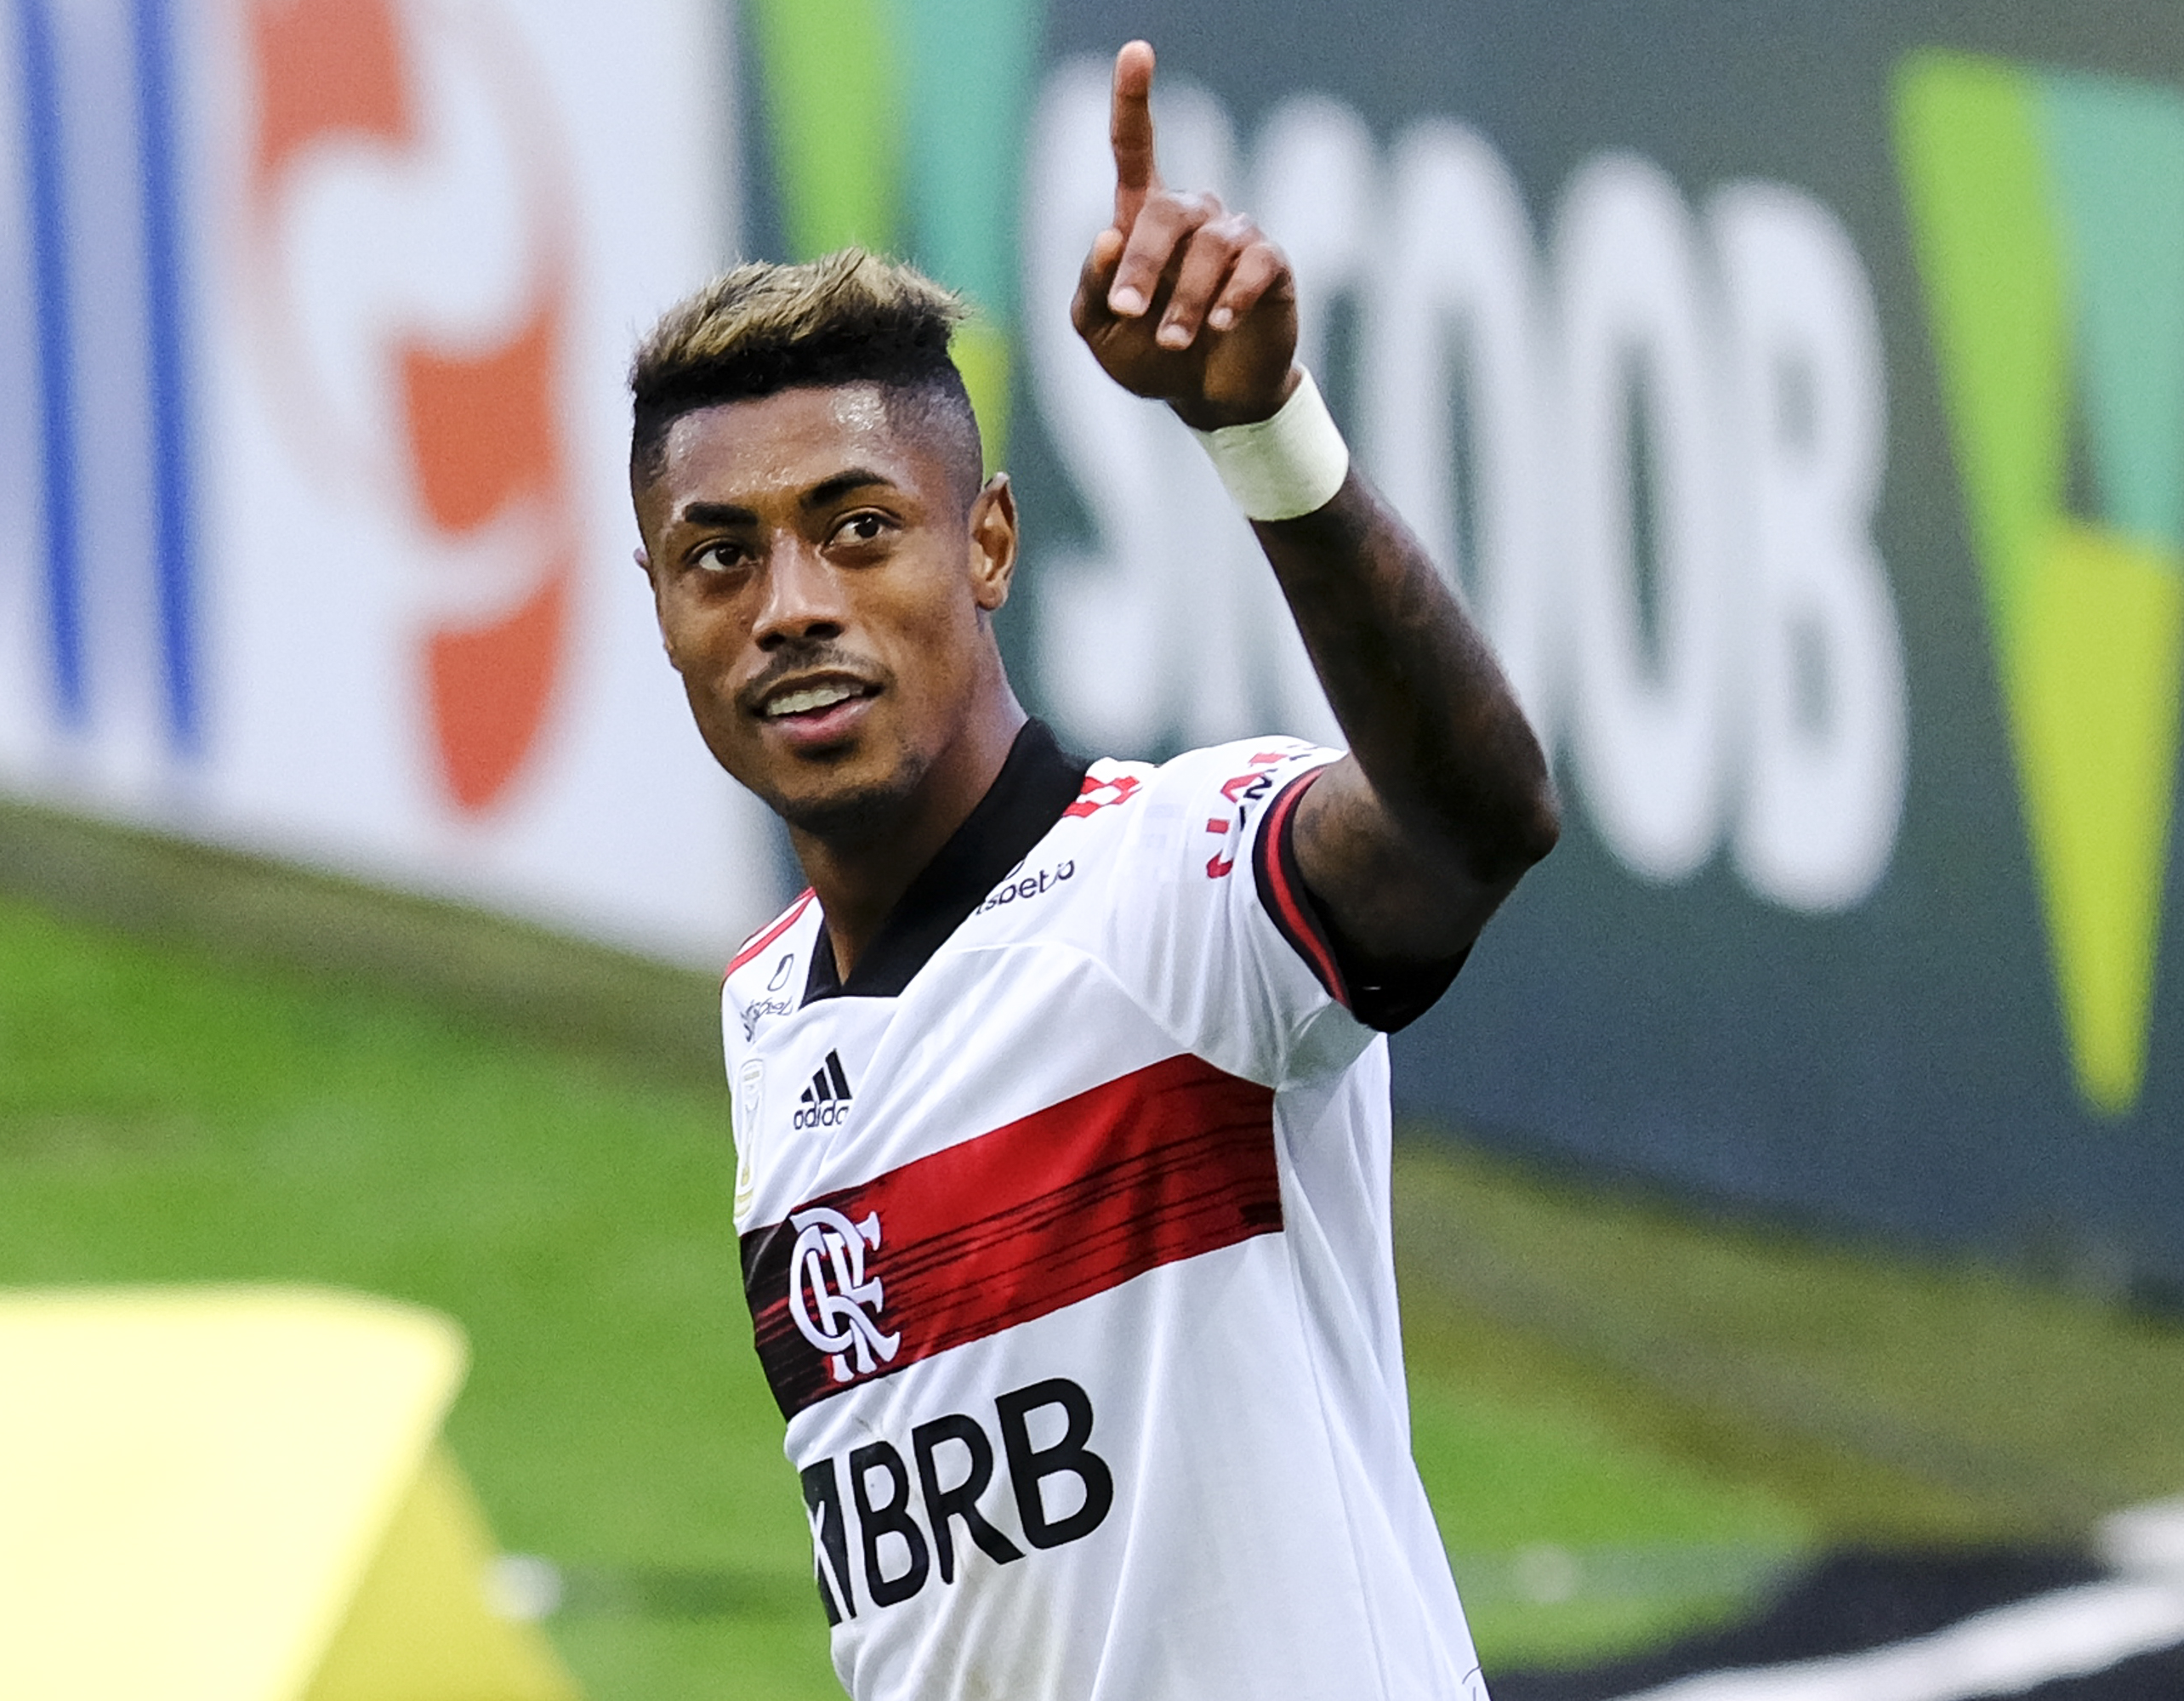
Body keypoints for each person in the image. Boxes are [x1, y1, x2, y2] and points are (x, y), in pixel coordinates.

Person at [626, 38, 1556, 1701]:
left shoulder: (1174, 894)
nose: (791, 607)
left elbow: (1474, 823)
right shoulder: (768, 1011)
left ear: (986, 542)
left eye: (858, 528)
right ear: (661, 605)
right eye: (720, 556)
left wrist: (1266, 434)